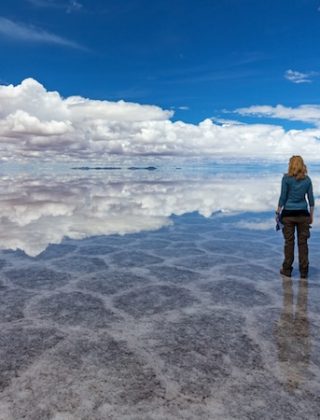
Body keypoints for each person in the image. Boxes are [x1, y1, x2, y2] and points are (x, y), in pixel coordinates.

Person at [276, 155, 314, 278]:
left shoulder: (286, 179)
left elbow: (283, 197)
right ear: (302, 165)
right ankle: (304, 271)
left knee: (289, 243)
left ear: (290, 165)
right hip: (303, 215)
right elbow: (311, 200)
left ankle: (287, 269)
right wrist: (311, 215)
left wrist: (278, 212)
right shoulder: (307, 180)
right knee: (303, 243)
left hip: (288, 216)